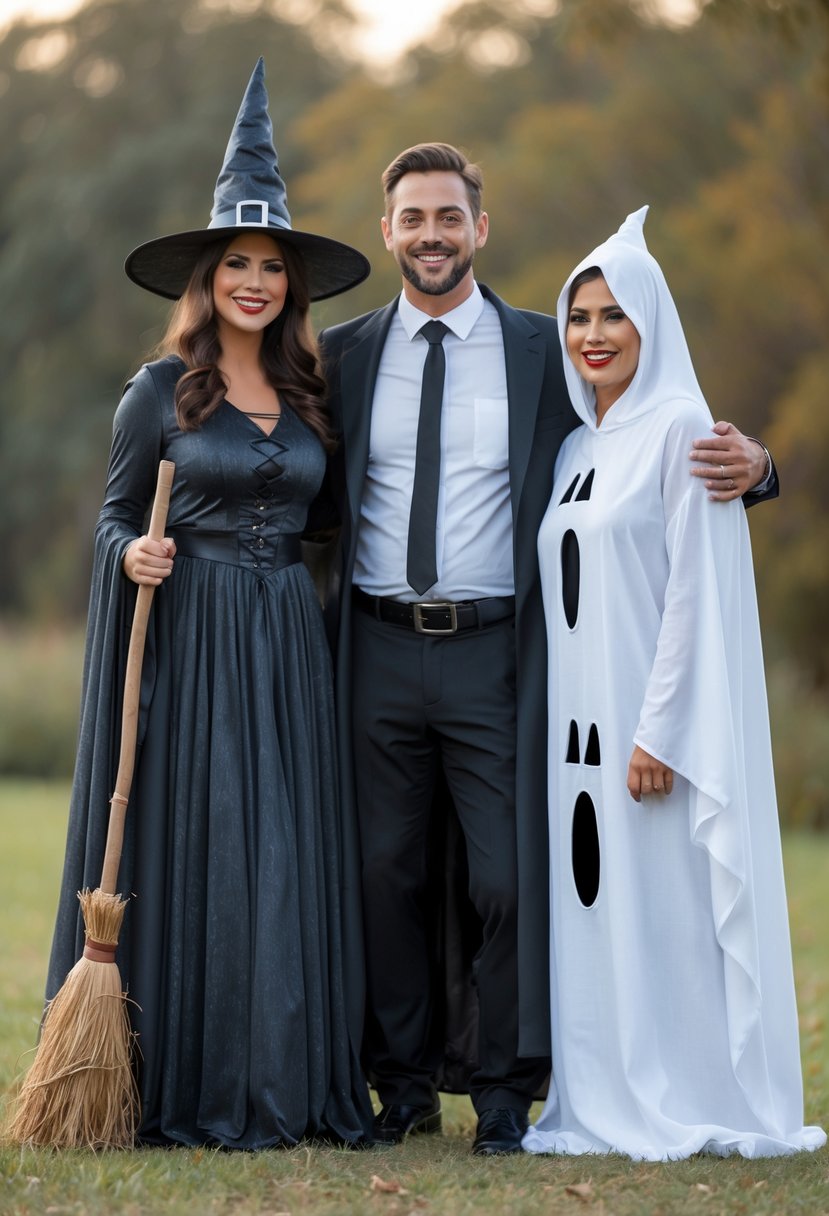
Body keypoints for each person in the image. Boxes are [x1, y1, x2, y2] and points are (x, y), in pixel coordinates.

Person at [318, 143, 777, 1155]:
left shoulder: (543, 352)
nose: (431, 235)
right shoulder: (341, 355)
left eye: (450, 216)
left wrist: (756, 466)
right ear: (386, 228)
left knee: (506, 876)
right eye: (412, 217)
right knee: (383, 873)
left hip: (498, 654)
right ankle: (397, 1087)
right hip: (378, 647)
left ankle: (501, 1089)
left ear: (479, 230)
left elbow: (646, 436)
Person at [45, 60, 374, 1149]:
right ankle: (187, 1077)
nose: (253, 279)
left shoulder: (314, 393)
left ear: (293, 282)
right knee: (211, 842)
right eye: (235, 260)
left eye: (271, 264)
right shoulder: (160, 391)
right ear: (205, 275)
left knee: (285, 848)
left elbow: (331, 524)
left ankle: (285, 1078)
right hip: (191, 646)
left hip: (289, 640)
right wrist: (130, 552)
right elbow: (110, 516)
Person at [523, 208, 826, 1159]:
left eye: (614, 315)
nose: (593, 335)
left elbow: (696, 592)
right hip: (571, 732)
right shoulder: (578, 447)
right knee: (594, 911)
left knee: (662, 914)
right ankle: (600, 1096)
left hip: (645, 732)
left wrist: (659, 730)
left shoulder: (682, 429)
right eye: (578, 317)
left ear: (650, 324)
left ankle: (681, 1093)